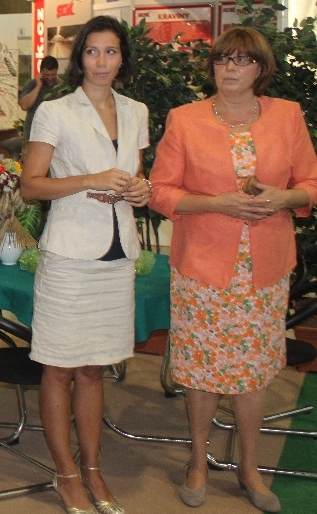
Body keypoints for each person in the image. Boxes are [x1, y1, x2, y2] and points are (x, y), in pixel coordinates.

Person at [150, 26, 317, 513]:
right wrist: (215, 202)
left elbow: (311, 182)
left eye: (242, 60)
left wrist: (284, 197)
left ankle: (250, 467)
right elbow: (160, 190)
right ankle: (197, 462)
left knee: (253, 373)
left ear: (260, 69)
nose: (230, 68)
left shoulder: (287, 115)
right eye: (223, 59)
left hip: (264, 270)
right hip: (202, 268)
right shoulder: (185, 119)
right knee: (201, 371)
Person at [20, 16, 151, 514]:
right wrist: (89, 179)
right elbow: (31, 185)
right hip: (70, 254)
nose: (101, 61)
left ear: (123, 58)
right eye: (92, 51)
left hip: (117, 255)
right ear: (79, 59)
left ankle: (92, 468)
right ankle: (66, 473)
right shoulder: (56, 111)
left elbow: (137, 176)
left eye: (110, 51)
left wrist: (142, 190)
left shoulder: (136, 111)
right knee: (59, 367)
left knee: (94, 369)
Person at [19, 54, 61, 146]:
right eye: (46, 75)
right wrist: (38, 87)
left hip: (55, 137)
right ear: (41, 72)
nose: (50, 78)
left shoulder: (61, 86)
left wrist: (59, 89)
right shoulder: (31, 84)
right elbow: (24, 106)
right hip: (32, 137)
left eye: (53, 75)